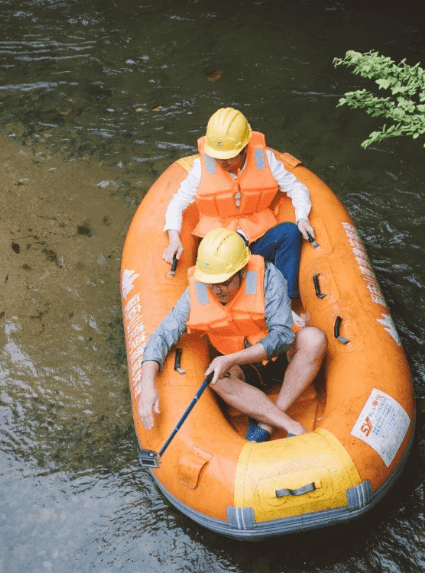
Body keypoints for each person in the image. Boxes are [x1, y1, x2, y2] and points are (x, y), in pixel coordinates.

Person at [140, 228, 326, 442]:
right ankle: (288, 424)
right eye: (211, 283)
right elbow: (162, 336)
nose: (217, 290)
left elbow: (282, 336)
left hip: (278, 356)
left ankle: (270, 418)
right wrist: (147, 387)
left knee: (314, 339)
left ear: (243, 271)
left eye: (225, 282)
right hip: (242, 370)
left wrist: (230, 359)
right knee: (215, 379)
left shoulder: (268, 277)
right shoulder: (197, 291)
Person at [162, 107, 315, 300]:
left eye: (229, 156)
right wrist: (174, 239)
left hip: (257, 238)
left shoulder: (265, 159)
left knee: (289, 232)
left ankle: (285, 299)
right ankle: (245, 299)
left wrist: (302, 217)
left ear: (244, 148)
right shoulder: (200, 168)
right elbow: (177, 203)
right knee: (228, 262)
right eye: (218, 155)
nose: (222, 161)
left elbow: (297, 188)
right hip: (219, 246)